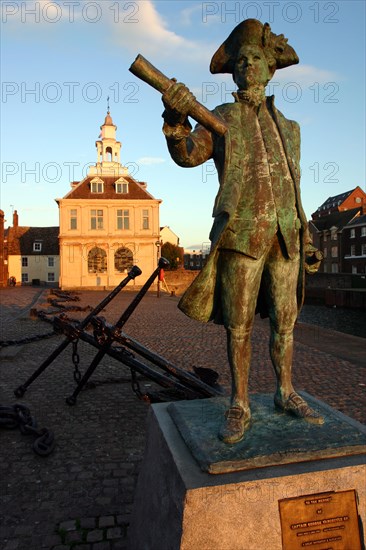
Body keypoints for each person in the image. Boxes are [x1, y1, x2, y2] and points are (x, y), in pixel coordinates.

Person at [161, 19, 323, 444]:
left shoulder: (291, 129)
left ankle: (286, 392)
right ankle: (240, 402)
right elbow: (188, 155)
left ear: (272, 69)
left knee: (286, 322)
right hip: (242, 237)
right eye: (243, 60)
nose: (250, 65)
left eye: (258, 59)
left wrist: (307, 236)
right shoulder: (220, 118)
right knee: (240, 325)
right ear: (234, 71)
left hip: (286, 234)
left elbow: (294, 185)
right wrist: (176, 122)